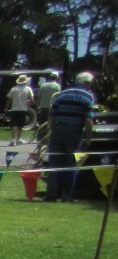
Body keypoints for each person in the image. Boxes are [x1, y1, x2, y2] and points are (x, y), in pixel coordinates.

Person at [44, 71, 96, 203]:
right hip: (74, 131)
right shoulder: (88, 97)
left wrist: (52, 130)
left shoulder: (62, 94)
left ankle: (51, 193)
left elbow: (51, 114)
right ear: (87, 83)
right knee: (71, 163)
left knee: (54, 162)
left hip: (57, 129)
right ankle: (66, 195)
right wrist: (88, 137)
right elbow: (88, 120)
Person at [5, 75, 34, 146]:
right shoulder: (28, 89)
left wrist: (6, 108)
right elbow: (32, 100)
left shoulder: (13, 89)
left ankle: (13, 140)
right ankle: (18, 139)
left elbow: (9, 100)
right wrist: (28, 106)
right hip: (23, 109)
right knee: (20, 125)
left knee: (13, 125)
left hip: (14, 109)